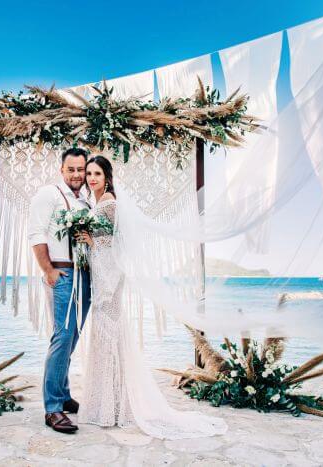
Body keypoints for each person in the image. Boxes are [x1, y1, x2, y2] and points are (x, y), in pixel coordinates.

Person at [75, 155, 228, 439]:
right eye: (89, 174)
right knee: (107, 337)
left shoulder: (109, 203)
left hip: (109, 279)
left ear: (107, 177)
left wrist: (92, 242)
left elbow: (119, 244)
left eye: (97, 174)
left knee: (109, 336)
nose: (91, 178)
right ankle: (108, 403)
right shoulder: (98, 203)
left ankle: (113, 406)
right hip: (102, 276)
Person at [28, 147, 91, 434]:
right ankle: (52, 408)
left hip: (84, 275)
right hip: (63, 274)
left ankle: (64, 396)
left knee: (72, 337)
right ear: (61, 170)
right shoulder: (49, 194)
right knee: (62, 336)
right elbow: (36, 233)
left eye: (81, 169)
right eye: (71, 169)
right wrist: (48, 270)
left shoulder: (85, 201)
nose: (77, 174)